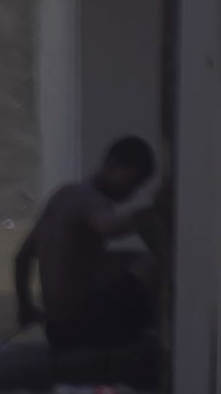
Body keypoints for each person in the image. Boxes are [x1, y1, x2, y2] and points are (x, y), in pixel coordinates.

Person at [14, 136, 160, 352]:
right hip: (81, 327)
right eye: (132, 182)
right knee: (151, 262)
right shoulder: (92, 200)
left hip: (55, 329)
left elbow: (22, 257)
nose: (132, 193)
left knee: (122, 259)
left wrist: (25, 308)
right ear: (112, 165)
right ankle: (150, 334)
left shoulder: (63, 196)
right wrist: (152, 212)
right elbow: (109, 226)